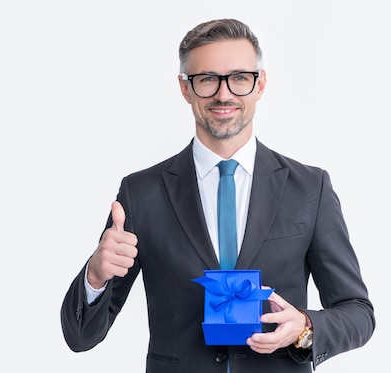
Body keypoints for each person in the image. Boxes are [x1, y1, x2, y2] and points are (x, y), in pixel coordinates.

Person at [61, 18, 375, 372]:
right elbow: (80, 336)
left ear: (261, 84)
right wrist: (95, 277)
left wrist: (305, 327)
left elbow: (358, 312)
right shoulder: (141, 193)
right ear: (185, 88)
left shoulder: (309, 188)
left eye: (240, 78)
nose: (224, 94)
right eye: (207, 79)